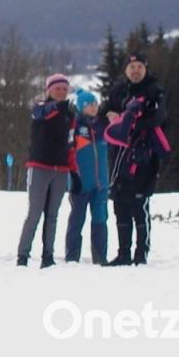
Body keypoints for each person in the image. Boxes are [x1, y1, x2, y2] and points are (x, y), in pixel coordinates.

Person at [99, 53, 169, 266]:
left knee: (139, 204)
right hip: (118, 156)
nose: (135, 70)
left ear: (145, 69)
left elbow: (158, 118)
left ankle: (141, 253)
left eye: (139, 66)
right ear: (126, 71)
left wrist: (127, 124)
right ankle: (123, 253)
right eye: (132, 67)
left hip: (143, 157)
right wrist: (109, 117)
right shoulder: (118, 91)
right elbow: (102, 115)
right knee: (120, 205)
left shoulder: (154, 91)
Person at [17, 73, 81, 269]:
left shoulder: (70, 115)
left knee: (52, 215)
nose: (61, 92)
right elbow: (40, 114)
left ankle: (48, 255)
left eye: (64, 88)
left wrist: (74, 172)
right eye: (57, 88)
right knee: (35, 213)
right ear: (49, 90)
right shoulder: (40, 108)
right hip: (39, 167)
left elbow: (71, 145)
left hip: (60, 169)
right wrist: (56, 107)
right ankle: (23, 255)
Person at [64, 90, 109, 265]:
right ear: (81, 106)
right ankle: (72, 257)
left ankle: (100, 258)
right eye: (89, 104)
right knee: (77, 219)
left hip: (101, 184)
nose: (94, 107)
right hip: (80, 183)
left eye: (95, 104)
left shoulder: (102, 126)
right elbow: (67, 150)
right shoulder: (75, 126)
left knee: (100, 219)